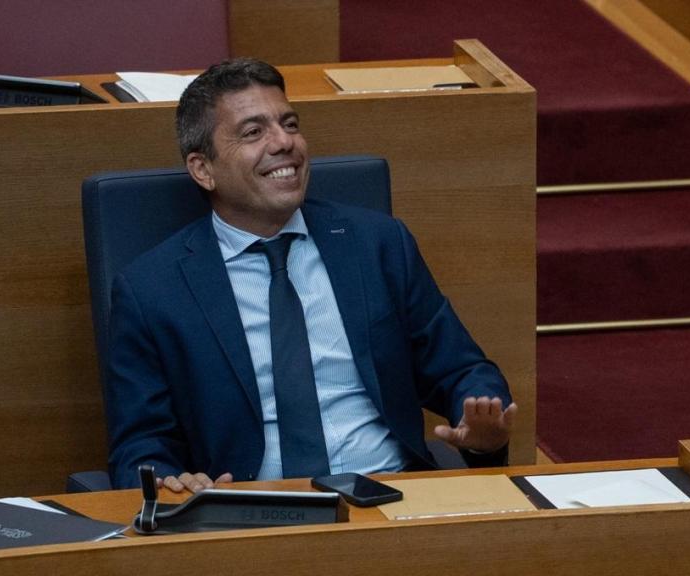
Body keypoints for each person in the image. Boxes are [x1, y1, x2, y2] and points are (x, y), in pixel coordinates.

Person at [104, 58, 516, 491]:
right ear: (203, 169)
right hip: (250, 515)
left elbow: (460, 369)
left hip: (390, 495)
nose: (285, 143)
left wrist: (484, 429)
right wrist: (173, 483)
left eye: (290, 124)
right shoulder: (151, 289)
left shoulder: (375, 243)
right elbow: (140, 445)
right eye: (253, 132)